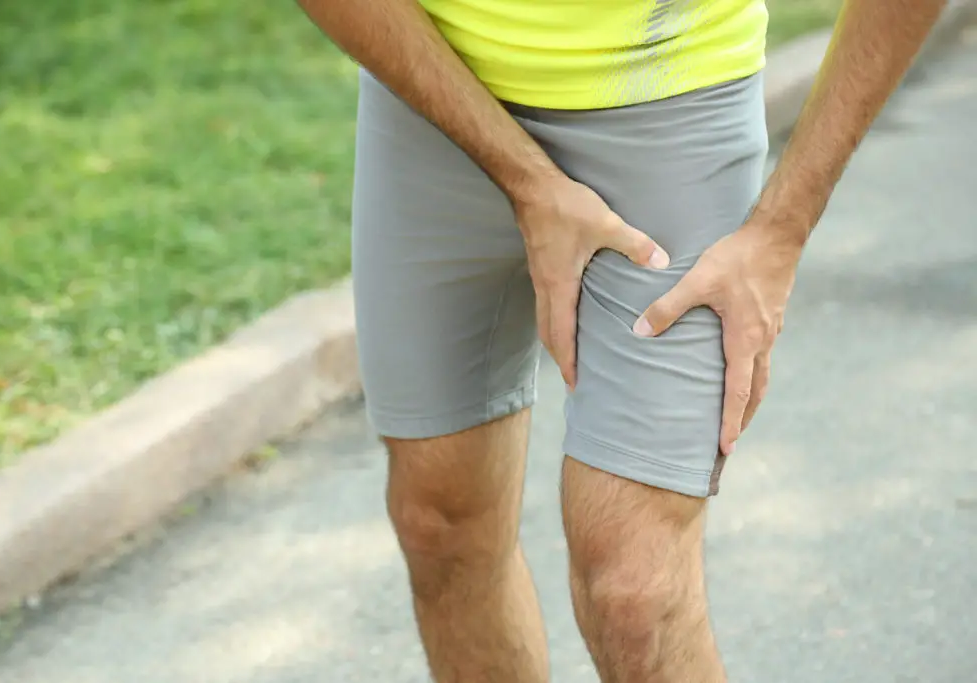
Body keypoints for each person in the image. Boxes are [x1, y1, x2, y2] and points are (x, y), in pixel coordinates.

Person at [296, 0, 945, 680]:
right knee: (439, 525)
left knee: (638, 593)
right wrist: (525, 179)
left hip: (668, 103)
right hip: (433, 95)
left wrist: (781, 228)